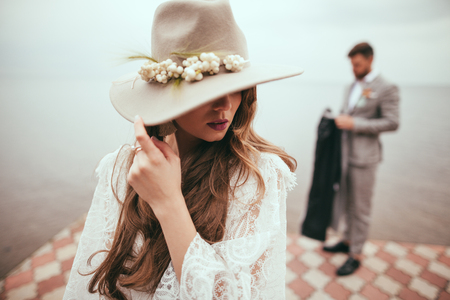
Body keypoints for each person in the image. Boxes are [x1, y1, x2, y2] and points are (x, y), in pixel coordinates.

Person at [63, 0, 303, 299]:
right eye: (205, 86)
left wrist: (168, 202)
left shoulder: (257, 176)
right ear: (165, 91)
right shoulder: (120, 167)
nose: (225, 105)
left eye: (234, 85)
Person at [323, 42, 400, 276]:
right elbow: (347, 112)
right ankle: (346, 240)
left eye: (357, 64)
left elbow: (392, 122)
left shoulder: (387, 87)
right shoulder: (350, 86)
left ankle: (355, 255)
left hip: (366, 158)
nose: (354, 69)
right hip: (344, 156)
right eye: (352, 65)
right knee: (347, 201)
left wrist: (356, 124)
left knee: (362, 209)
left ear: (370, 59)